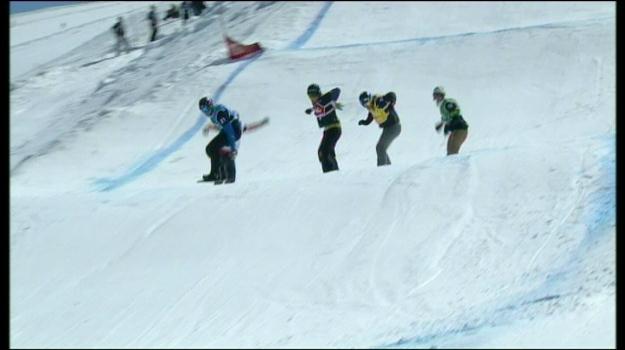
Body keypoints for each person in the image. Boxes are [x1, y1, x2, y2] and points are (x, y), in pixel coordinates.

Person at [199, 97, 244, 184]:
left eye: (205, 108)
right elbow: (223, 126)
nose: (205, 111)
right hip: (229, 130)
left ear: (210, 105)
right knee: (211, 149)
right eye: (202, 110)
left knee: (213, 148)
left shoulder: (219, 113)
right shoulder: (214, 113)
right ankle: (220, 173)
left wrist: (233, 148)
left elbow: (229, 130)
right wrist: (209, 128)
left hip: (233, 131)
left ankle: (221, 174)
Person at [305, 84, 342, 173]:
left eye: (314, 95)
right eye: (310, 96)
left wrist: (330, 100)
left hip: (334, 129)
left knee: (323, 152)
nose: (312, 98)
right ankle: (335, 173)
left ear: (318, 93)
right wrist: (312, 109)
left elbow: (337, 90)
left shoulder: (324, 99)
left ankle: (329, 174)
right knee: (328, 152)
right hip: (328, 130)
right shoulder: (317, 103)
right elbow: (320, 107)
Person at [358, 91, 401, 166]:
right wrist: (365, 122)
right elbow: (371, 116)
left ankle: (383, 168)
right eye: (363, 104)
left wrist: (389, 100)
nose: (365, 105)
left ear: (369, 98)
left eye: (365, 101)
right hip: (388, 128)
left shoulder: (378, 100)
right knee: (381, 148)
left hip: (394, 127)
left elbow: (392, 95)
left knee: (380, 148)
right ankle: (387, 167)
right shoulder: (371, 107)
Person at [432, 86, 469, 155]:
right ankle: (451, 165)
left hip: (460, 129)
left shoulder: (447, 103)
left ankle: (457, 165)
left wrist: (450, 123)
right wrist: (442, 124)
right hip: (455, 130)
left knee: (452, 152)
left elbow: (455, 112)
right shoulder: (442, 106)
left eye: (436, 95)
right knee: (449, 152)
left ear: (441, 95)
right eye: (434, 95)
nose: (435, 98)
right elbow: (446, 118)